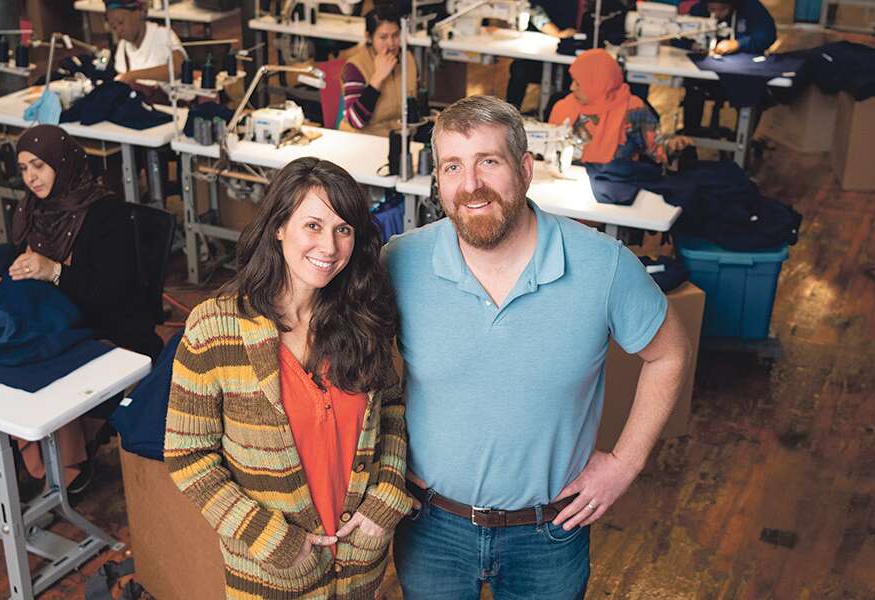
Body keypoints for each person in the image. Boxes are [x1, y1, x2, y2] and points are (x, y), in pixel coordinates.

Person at [385, 95, 692, 599]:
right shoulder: (401, 261)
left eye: (489, 162)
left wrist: (625, 463)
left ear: (525, 169)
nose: (470, 185)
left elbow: (670, 353)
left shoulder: (602, 265)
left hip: (548, 533)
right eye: (452, 167)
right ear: (437, 180)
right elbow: (348, 365)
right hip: (430, 524)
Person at [165, 157, 412, 599]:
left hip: (360, 566)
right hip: (272, 575)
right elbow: (188, 454)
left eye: (343, 229)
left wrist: (387, 496)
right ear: (279, 227)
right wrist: (271, 538)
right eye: (313, 226)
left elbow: (390, 409)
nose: (330, 246)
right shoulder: (216, 328)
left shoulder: (365, 316)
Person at [0, 125, 162, 492]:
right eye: (24, 168)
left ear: (62, 162)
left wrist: (54, 272)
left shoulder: (106, 214)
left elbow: (114, 292)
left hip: (103, 322)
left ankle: (65, 466)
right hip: (52, 320)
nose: (31, 178)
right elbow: (19, 258)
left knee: (29, 361)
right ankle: (20, 459)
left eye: (39, 166)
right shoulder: (35, 209)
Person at [548, 49, 691, 165]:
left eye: (579, 83)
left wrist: (673, 145)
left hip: (612, 189)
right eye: (573, 81)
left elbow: (655, 146)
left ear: (599, 83)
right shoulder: (563, 107)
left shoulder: (633, 110)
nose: (572, 88)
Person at [682, 0, 777, 134]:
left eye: (722, 10)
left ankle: (741, 141)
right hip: (707, 76)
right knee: (693, 90)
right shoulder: (699, 9)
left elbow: (767, 35)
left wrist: (739, 44)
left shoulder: (751, 8)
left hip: (743, 73)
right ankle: (689, 140)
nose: (716, 14)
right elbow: (678, 36)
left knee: (753, 94)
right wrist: (691, 45)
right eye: (712, 10)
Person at [340, 4, 417, 137]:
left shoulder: (408, 58)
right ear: (369, 37)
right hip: (367, 138)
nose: (391, 44)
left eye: (395, 35)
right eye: (383, 37)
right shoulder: (355, 67)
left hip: (402, 137)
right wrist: (377, 79)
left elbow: (415, 107)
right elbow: (355, 121)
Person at [505, 0, 578, 109]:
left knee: (520, 69)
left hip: (563, 49)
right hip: (540, 46)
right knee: (519, 69)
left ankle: (553, 114)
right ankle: (511, 113)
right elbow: (533, 11)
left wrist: (559, 33)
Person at [106, 0, 184, 84]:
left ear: (141, 12)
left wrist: (132, 75)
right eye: (114, 27)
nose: (118, 30)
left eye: (121, 22)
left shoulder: (163, 35)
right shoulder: (123, 46)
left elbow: (179, 68)